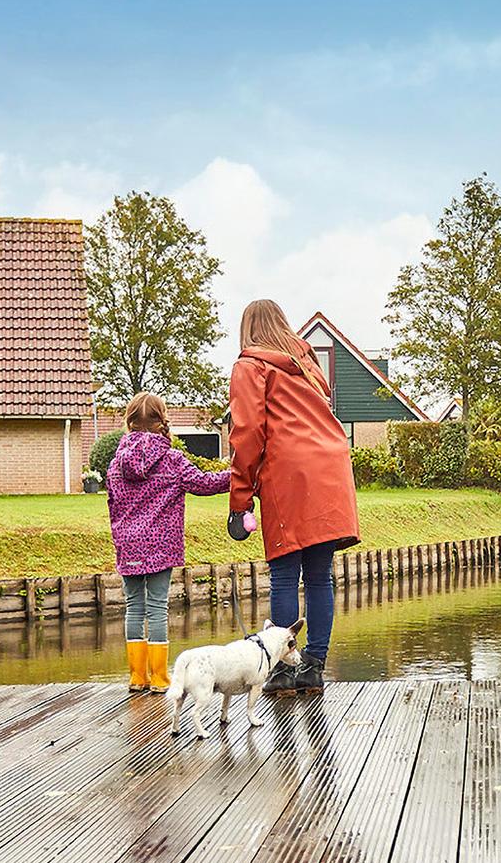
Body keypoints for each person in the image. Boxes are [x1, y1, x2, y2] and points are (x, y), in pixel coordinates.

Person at [226, 297, 361, 694]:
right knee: (320, 575)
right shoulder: (307, 365)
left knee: (285, 574)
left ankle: (282, 671)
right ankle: (314, 667)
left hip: (289, 474)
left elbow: (247, 433)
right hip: (331, 471)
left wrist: (239, 501)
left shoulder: (250, 366)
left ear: (248, 330)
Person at [107, 391, 231, 693]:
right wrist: (238, 474)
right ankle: (160, 679)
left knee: (134, 607)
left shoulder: (116, 463)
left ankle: (137, 677)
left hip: (128, 542)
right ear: (161, 421)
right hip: (161, 544)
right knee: (157, 608)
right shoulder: (172, 461)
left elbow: (112, 501)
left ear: (130, 421)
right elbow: (205, 484)